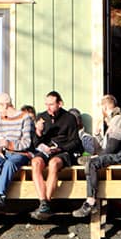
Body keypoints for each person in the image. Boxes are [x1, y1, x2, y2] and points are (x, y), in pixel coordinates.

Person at [72, 94, 121, 218]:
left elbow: (110, 150)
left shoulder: (118, 121)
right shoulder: (116, 121)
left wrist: (95, 158)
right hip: (119, 155)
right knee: (88, 161)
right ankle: (91, 200)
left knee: (92, 163)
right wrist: (97, 136)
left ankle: (90, 202)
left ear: (104, 107)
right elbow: (105, 148)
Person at [29, 91, 82, 220]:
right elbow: (35, 143)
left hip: (62, 151)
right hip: (45, 150)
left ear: (60, 104)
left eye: (51, 104)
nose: (48, 107)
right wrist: (38, 131)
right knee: (35, 162)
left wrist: (60, 148)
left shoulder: (69, 118)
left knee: (54, 164)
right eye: (46, 104)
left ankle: (46, 204)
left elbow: (75, 142)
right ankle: (44, 202)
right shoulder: (41, 117)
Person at [0, 93, 33, 215]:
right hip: (5, 152)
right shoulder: (2, 120)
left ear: (5, 105)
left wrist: (8, 144)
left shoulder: (25, 118)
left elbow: (27, 143)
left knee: (9, 164)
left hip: (22, 154)